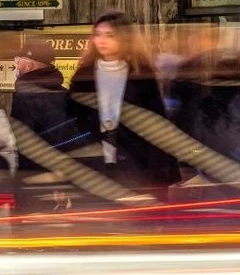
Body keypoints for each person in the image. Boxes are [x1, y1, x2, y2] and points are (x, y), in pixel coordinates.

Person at [68, 11, 178, 189]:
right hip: (93, 161)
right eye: (98, 34)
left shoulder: (141, 74)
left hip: (135, 162)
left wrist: (163, 169)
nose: (102, 41)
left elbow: (157, 120)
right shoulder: (84, 75)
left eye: (110, 35)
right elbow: (72, 118)